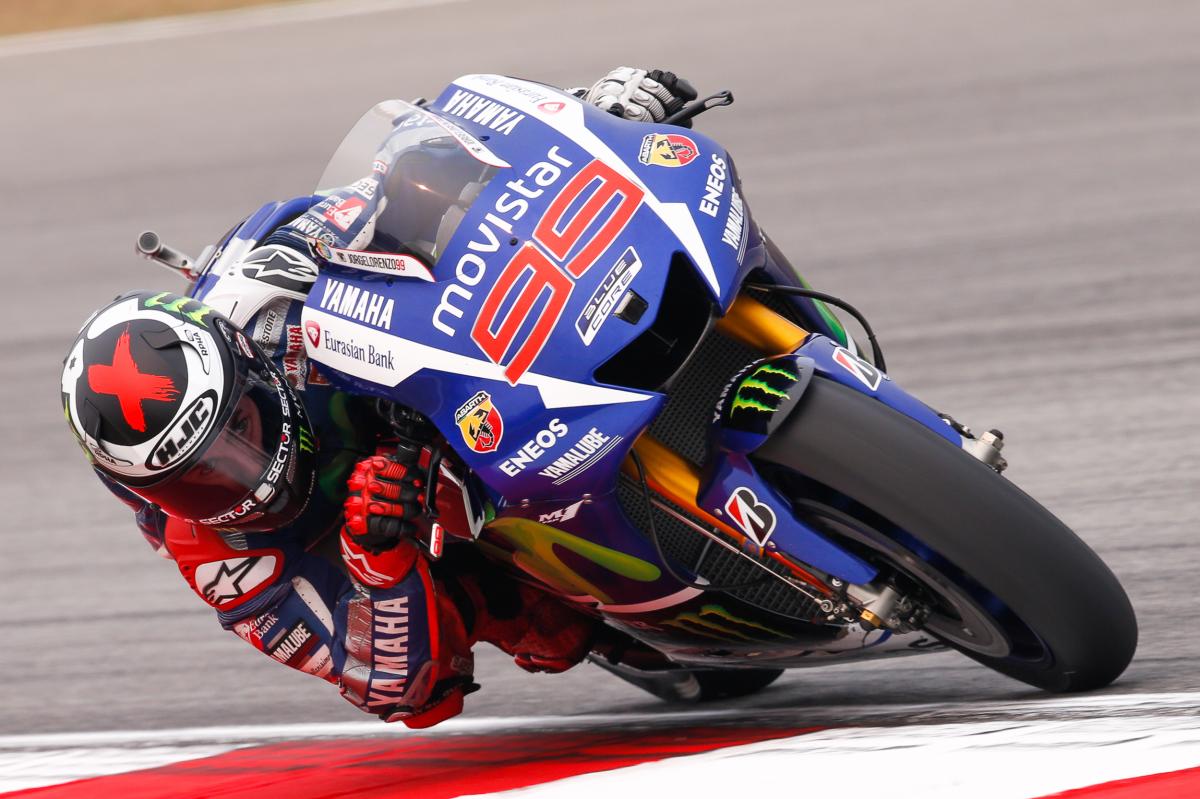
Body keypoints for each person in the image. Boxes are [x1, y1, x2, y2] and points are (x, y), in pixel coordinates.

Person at [60, 69, 698, 728]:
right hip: (429, 535)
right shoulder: (222, 558)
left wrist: (591, 116)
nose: (240, 473)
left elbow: (411, 175)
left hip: (460, 374)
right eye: (198, 481)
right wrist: (376, 556)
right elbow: (394, 691)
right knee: (544, 629)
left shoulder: (269, 284)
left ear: (250, 369)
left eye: (239, 430)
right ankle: (640, 619)